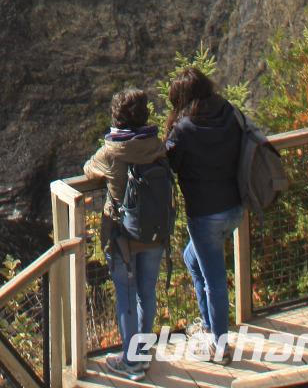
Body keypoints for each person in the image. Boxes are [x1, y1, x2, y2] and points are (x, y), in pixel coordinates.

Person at [84, 89, 168, 381]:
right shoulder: (156, 145)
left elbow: (88, 169)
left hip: (122, 237)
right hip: (155, 231)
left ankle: (131, 362)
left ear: (117, 117)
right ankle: (141, 354)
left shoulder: (111, 151)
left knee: (126, 296)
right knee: (147, 292)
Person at [165, 67, 243, 363]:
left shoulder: (183, 129)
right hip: (235, 208)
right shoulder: (228, 112)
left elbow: (169, 163)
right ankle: (209, 327)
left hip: (205, 215)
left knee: (215, 282)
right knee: (191, 259)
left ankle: (219, 347)